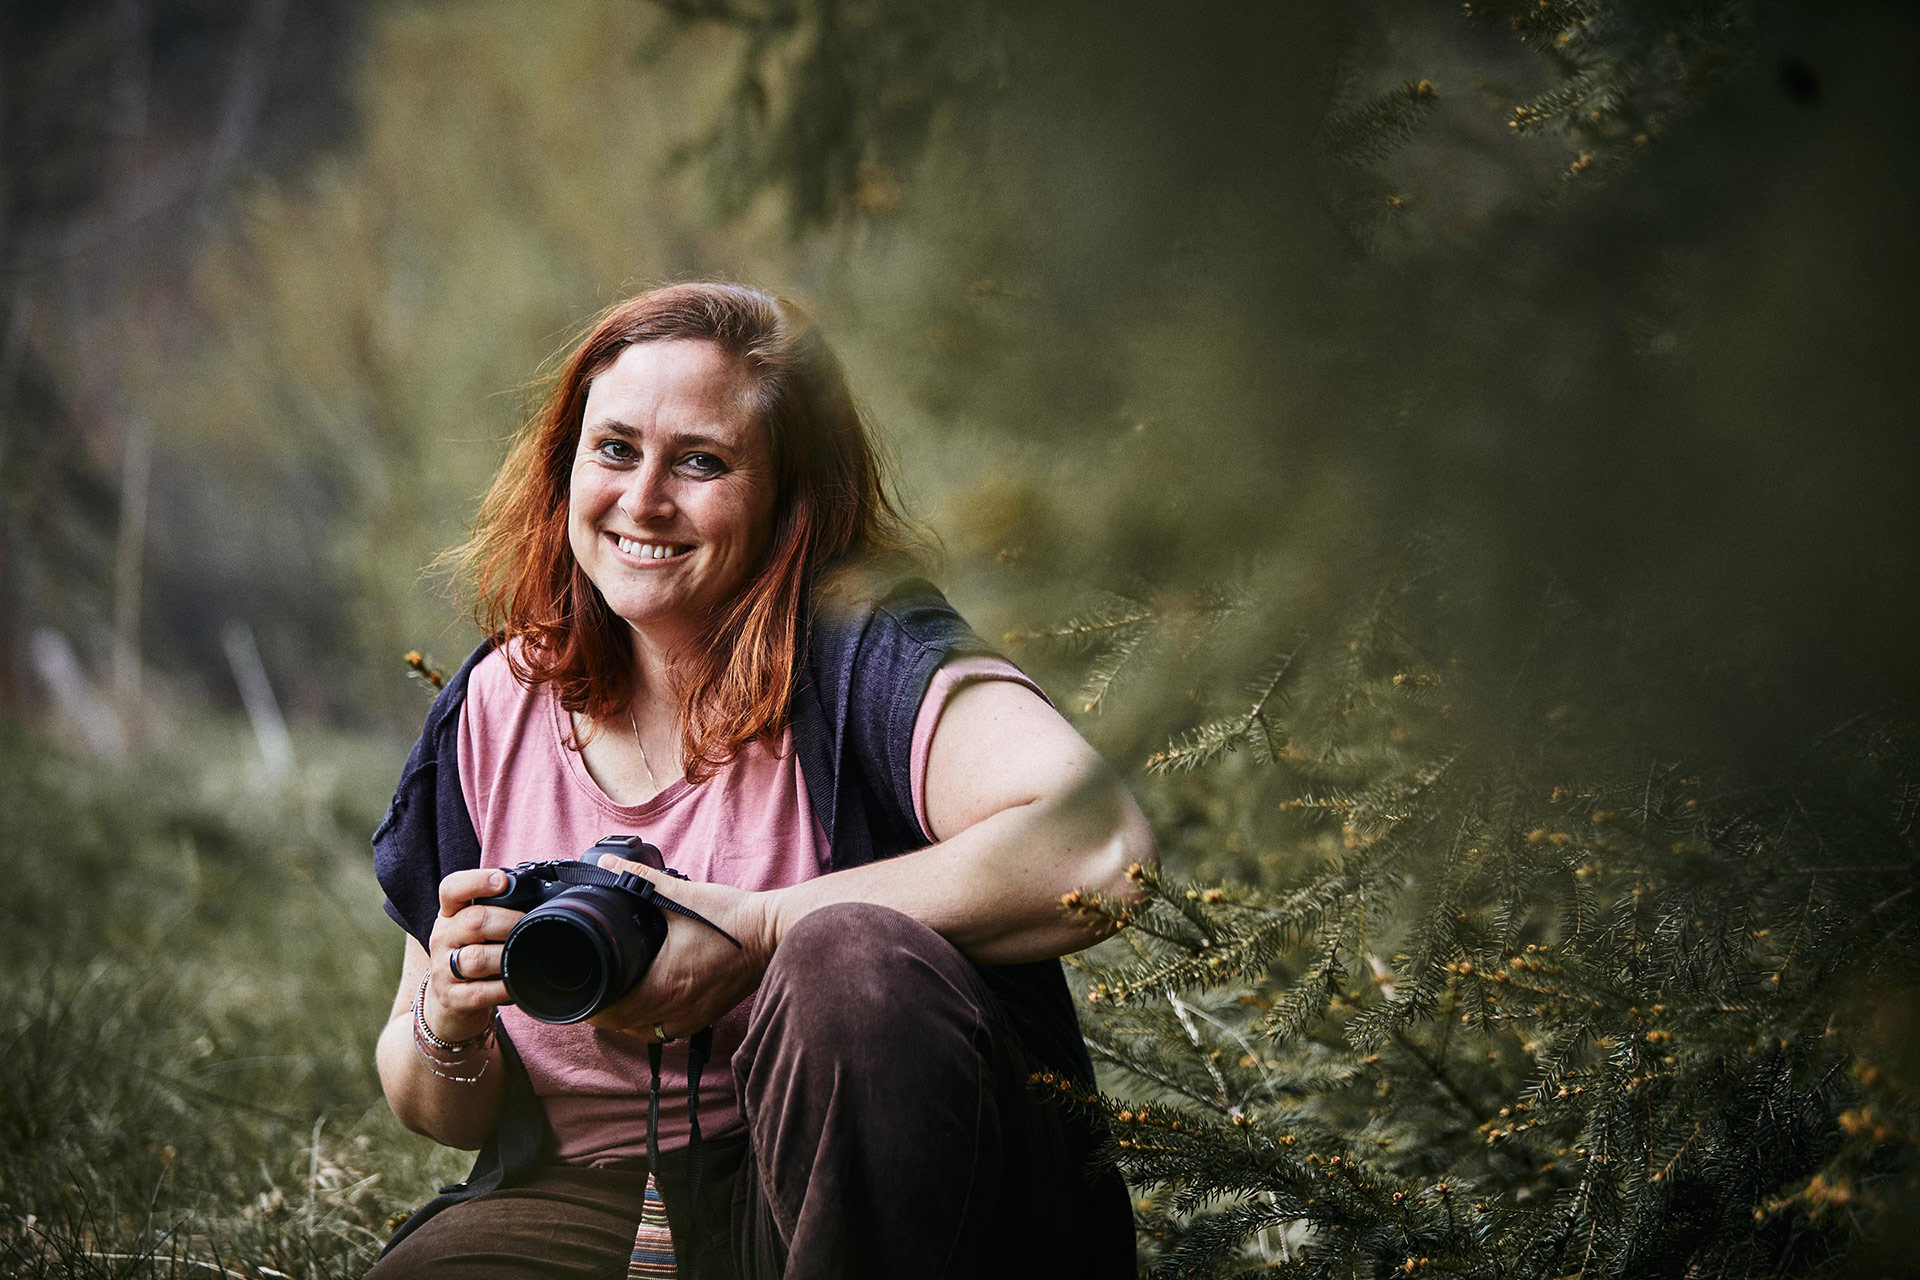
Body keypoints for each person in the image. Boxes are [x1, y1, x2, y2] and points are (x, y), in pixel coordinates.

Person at [367, 282, 1154, 1279]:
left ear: (791, 497)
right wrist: (450, 1016)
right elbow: (431, 1099)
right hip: (605, 1193)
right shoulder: (499, 697)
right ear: (565, 466)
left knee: (848, 964)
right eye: (614, 449)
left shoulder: (865, 654)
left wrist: (764, 929)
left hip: (883, 1188)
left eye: (702, 461)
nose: (644, 499)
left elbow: (1105, 848)